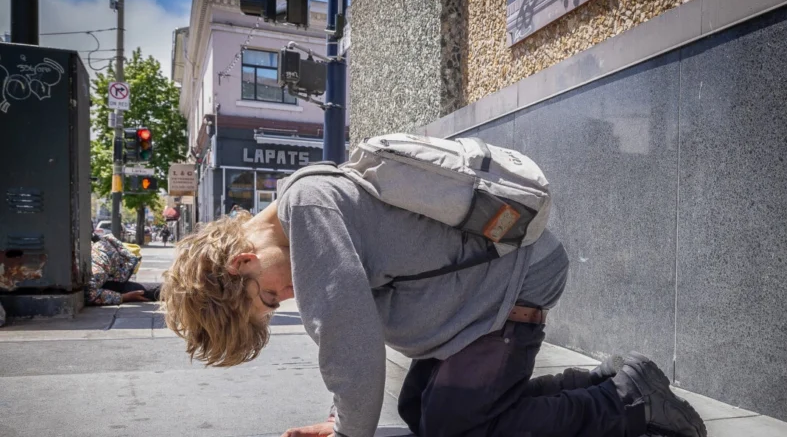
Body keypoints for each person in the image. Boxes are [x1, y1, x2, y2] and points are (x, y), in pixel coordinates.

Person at [160, 174, 706, 437]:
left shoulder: (306, 214)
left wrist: (348, 434)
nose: (288, 297)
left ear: (242, 263)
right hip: (478, 299)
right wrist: (340, 419)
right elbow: (357, 327)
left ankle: (629, 404)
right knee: (421, 407)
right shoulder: (307, 210)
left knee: (463, 428)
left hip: (509, 284)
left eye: (270, 296)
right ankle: (603, 383)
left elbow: (348, 338)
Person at [87, 233, 160, 305]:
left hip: (108, 277)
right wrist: (124, 297)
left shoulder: (104, 247)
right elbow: (89, 294)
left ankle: (166, 290)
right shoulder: (99, 269)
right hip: (105, 281)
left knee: (146, 289)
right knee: (143, 291)